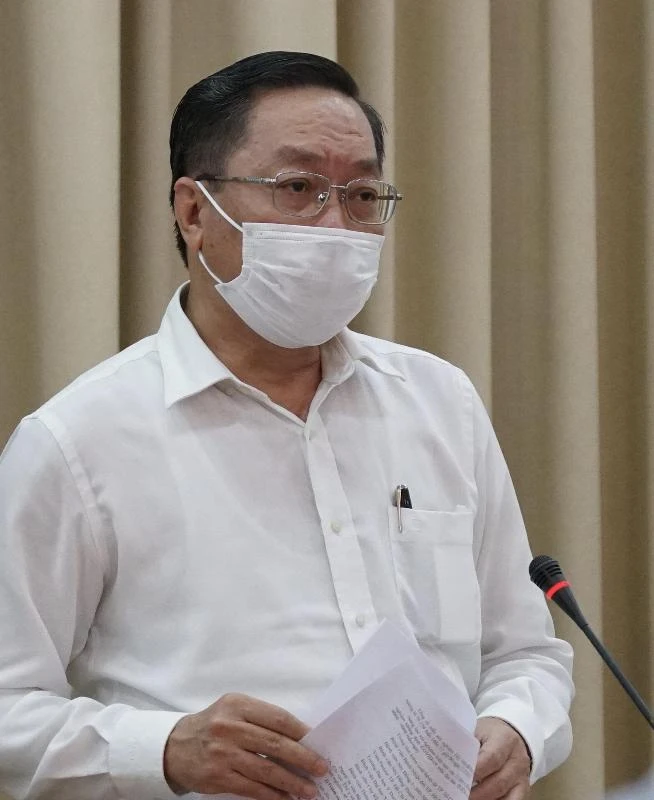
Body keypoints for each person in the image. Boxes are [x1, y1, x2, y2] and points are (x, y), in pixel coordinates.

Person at [0, 51, 573, 800]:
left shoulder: (440, 401)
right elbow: (8, 706)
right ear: (194, 212)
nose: (336, 225)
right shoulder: (78, 441)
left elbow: (526, 654)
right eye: (298, 188)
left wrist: (518, 730)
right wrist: (162, 749)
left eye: (361, 195)